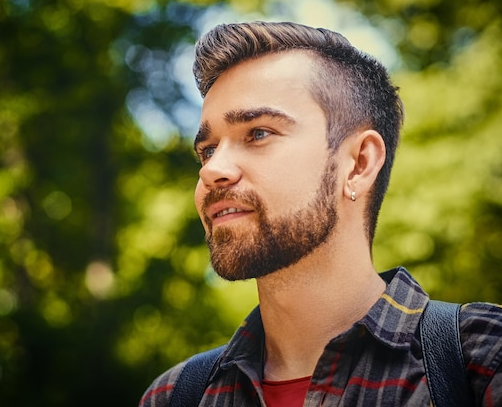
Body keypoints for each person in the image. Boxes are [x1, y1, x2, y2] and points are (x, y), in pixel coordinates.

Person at [139, 21, 502, 406]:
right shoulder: (175, 396)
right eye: (208, 149)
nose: (211, 170)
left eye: (258, 133)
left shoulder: (482, 361)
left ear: (360, 163)